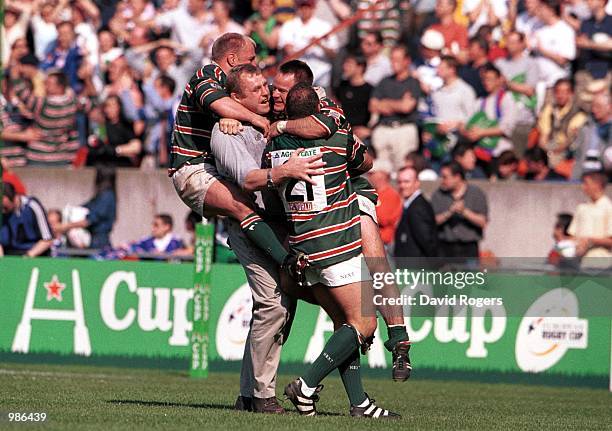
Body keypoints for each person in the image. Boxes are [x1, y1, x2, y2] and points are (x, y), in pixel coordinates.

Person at [267, 60, 412, 382]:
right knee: (330, 305)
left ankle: (399, 338)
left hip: (348, 194)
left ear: (303, 90)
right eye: (273, 88)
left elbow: (323, 131)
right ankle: (354, 397)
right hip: (309, 217)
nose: (274, 94)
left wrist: (279, 127)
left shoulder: (325, 108)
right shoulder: (273, 111)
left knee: (375, 260)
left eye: (281, 89)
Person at [209, 64, 323, 413]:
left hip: (284, 228)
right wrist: (285, 171)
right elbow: (247, 180)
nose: (266, 92)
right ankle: (262, 396)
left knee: (276, 310)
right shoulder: (227, 132)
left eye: (266, 85)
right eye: (255, 89)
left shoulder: (272, 122)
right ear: (235, 99)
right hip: (252, 229)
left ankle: (248, 396)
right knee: (273, 306)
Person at [170, 33, 311, 276]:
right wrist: (254, 118)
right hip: (193, 169)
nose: (256, 64)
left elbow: (228, 106)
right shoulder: (206, 75)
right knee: (242, 205)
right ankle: (287, 262)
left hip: (214, 167)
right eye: (252, 58)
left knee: (253, 204)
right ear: (233, 59)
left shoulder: (230, 86)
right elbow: (219, 103)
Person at [369, 45, 421, 172]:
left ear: (407, 61)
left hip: (403, 129)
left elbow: (406, 107)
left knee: (402, 168)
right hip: (384, 128)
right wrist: (397, 104)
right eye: (392, 59)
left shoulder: (413, 83)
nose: (393, 63)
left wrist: (385, 103)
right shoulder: (385, 81)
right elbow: (373, 106)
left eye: (397, 60)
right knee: (381, 170)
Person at [431, 161, 488, 259]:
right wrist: (449, 213)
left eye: (445, 177)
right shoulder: (438, 195)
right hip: (445, 247)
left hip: (469, 248)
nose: (442, 181)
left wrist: (464, 211)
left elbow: (483, 222)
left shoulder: (476, 193)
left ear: (457, 177)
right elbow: (432, 221)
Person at [278, 0, 339, 88]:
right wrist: (308, 47)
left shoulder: (325, 26)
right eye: (302, 7)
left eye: (308, 7)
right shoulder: (289, 25)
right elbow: (288, 51)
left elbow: (333, 53)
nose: (305, 10)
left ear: (313, 8)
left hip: (321, 75)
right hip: (298, 76)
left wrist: (319, 44)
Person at [55, 167, 117, 249]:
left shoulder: (107, 196)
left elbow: (89, 220)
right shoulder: (100, 196)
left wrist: (65, 226)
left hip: (99, 240)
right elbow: (84, 207)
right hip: (93, 238)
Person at [537, 78, 588, 170]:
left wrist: (554, 152)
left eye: (564, 92)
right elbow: (543, 137)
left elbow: (570, 141)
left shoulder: (579, 114)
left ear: (571, 94)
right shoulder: (549, 109)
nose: (560, 95)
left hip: (567, 151)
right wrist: (546, 150)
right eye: (558, 92)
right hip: (549, 147)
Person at [568, 171, 612, 266]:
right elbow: (572, 235)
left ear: (597, 185)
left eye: (586, 183)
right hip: (580, 263)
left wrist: (589, 241)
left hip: (602, 263)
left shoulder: (608, 208)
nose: (583, 187)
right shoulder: (581, 207)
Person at [393, 166, 438, 258]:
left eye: (406, 182)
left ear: (417, 183)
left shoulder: (418, 207)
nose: (402, 186)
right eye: (399, 182)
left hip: (417, 265)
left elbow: (426, 240)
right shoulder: (410, 204)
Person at [96, 213, 185, 259]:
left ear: (167, 227)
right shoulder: (146, 241)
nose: (153, 228)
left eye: (156, 225)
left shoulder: (177, 242)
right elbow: (132, 248)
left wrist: (166, 255)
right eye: (153, 225)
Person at [1, 181, 53, 257]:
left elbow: (47, 239)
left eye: (6, 208)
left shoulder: (32, 206)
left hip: (34, 255)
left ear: (15, 198)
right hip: (9, 255)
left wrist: (28, 256)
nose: (3, 211)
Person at [533, 0, 576, 89]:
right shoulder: (538, 28)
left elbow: (563, 60)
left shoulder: (565, 30)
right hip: (539, 84)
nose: (538, 11)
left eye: (541, 8)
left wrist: (543, 51)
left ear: (551, 10)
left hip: (556, 84)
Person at [336, 54, 373, 142]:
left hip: (361, 134)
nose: (345, 67)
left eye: (349, 64)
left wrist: (370, 130)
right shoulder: (342, 86)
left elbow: (375, 115)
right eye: (345, 63)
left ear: (360, 67)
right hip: (342, 131)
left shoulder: (370, 90)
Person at [367, 159, 402, 246]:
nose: (369, 176)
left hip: (385, 243)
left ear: (383, 174)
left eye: (372, 173)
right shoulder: (373, 193)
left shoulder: (391, 195)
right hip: (373, 241)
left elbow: (384, 219)